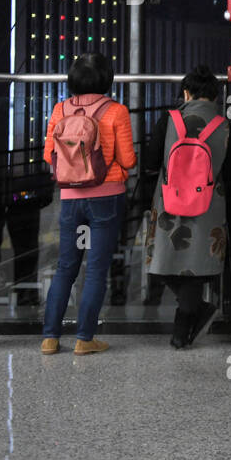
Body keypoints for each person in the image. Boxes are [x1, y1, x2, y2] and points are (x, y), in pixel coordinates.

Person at [41, 53, 136, 355]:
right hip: (106, 197)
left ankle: (50, 338)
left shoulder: (60, 109)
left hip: (70, 198)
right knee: (96, 269)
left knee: (65, 268)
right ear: (107, 78)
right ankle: (84, 339)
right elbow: (128, 160)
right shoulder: (116, 111)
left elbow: (48, 156)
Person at [144, 65, 231, 350]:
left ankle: (186, 325)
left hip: (169, 202)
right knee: (194, 264)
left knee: (162, 262)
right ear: (215, 96)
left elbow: (149, 161)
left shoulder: (169, 120)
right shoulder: (225, 125)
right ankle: (182, 330)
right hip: (209, 203)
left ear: (186, 92)